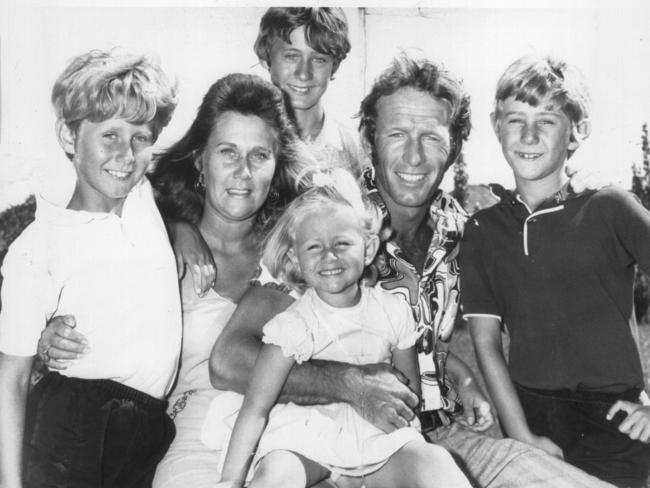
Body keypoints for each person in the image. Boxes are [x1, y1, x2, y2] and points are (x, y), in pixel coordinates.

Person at [39, 56, 614, 488]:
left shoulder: (431, 233)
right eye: (395, 134)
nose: (412, 156)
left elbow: (390, 326)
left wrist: (456, 372)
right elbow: (222, 348)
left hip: (387, 434)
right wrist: (53, 336)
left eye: (431, 137)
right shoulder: (197, 233)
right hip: (265, 434)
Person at [460, 55, 650, 488]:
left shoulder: (609, 207)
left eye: (546, 120)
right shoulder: (482, 230)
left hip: (614, 423)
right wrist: (520, 434)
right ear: (496, 126)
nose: (528, 135)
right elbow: (486, 344)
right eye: (515, 119)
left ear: (576, 131)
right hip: (530, 416)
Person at [217, 168, 471, 488]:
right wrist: (229, 480)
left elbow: (409, 397)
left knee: (434, 461)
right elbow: (256, 407)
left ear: (367, 248)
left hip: (375, 440)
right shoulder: (293, 326)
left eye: (341, 243)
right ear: (295, 259)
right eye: (314, 247)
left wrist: (408, 449)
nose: (329, 256)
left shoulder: (393, 311)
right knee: (277, 472)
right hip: (309, 440)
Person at [0, 49, 181, 487]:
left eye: (140, 137)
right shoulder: (38, 245)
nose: (126, 153)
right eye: (109, 136)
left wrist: (186, 234)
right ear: (69, 137)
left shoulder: (143, 199)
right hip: (76, 423)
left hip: (144, 426)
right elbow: (12, 376)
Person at [255, 7, 361, 176]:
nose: (304, 74)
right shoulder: (247, 140)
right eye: (291, 56)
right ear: (266, 58)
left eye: (319, 59)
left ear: (334, 66)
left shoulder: (355, 150)